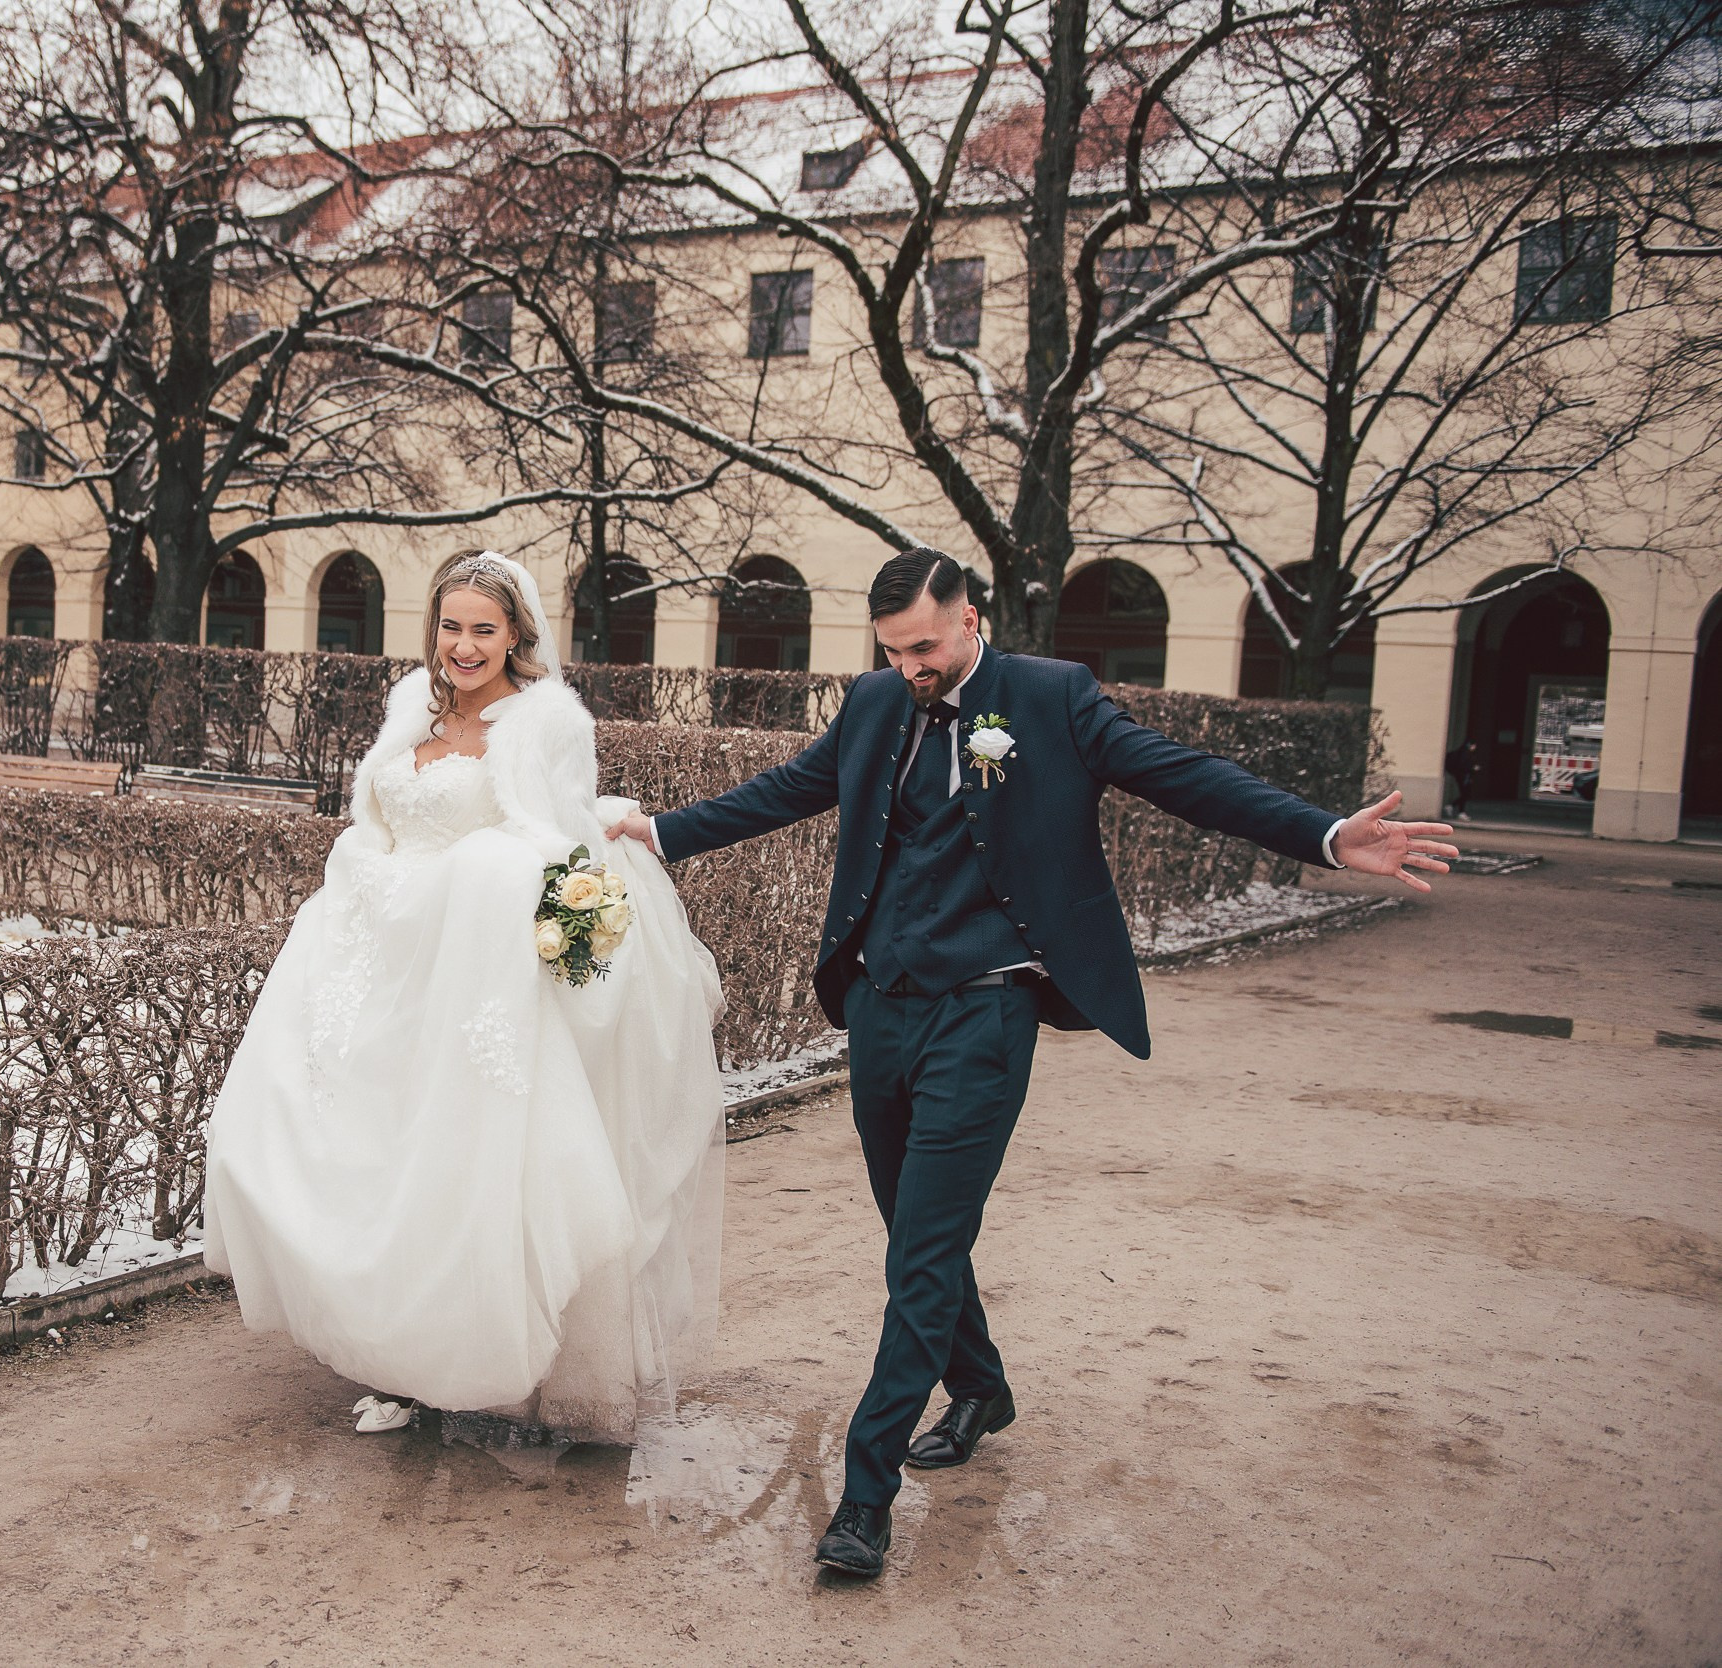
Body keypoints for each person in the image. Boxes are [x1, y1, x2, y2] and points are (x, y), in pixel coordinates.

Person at [607, 549, 1457, 1578]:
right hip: (879, 1008)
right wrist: (655, 832)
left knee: (918, 1255)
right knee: (914, 1226)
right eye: (891, 651)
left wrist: (1322, 835)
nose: (910, 667)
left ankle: (862, 1498)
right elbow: (789, 789)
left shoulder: (1052, 701)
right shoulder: (876, 704)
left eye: (924, 646)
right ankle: (981, 1386)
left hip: (986, 1013)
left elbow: (1185, 777)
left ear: (969, 618)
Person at [203, 550, 728, 1443]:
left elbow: (556, 852)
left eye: (485, 628)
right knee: (345, 1155)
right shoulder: (412, 705)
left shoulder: (544, 724)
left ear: (518, 633)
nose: (464, 645)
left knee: (453, 1170)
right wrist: (366, 874)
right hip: (376, 964)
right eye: (452, 626)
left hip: (469, 983)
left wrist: (475, 881)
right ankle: (394, 1357)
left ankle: (457, 1364)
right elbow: (377, 818)